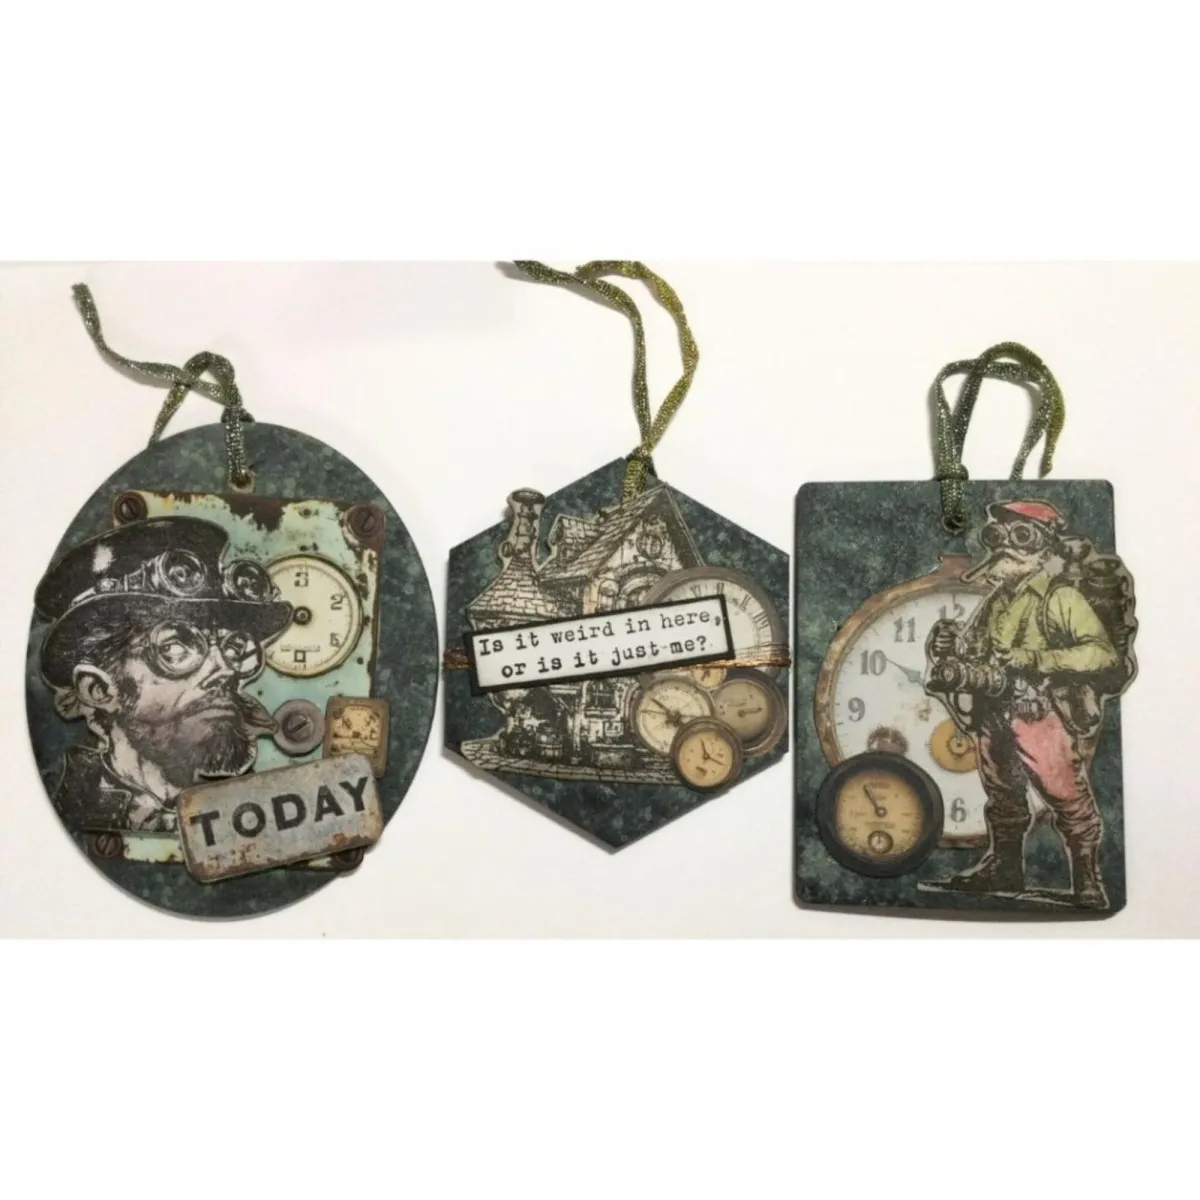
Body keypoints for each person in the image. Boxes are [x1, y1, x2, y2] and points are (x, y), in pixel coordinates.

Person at [36, 517, 293, 834]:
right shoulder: (57, 821)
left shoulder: (253, 811)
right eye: (174, 649)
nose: (225, 670)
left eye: (234, 648)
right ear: (99, 689)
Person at [926, 501, 1126, 908]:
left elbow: (1101, 654)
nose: (1006, 546)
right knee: (1002, 792)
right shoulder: (997, 600)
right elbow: (974, 649)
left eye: (1021, 536)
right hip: (993, 710)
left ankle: (1087, 878)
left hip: (1040, 711)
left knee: (1064, 791)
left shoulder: (1060, 597)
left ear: (1043, 546)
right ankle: (1005, 869)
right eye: (998, 536)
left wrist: (1036, 659)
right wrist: (947, 644)